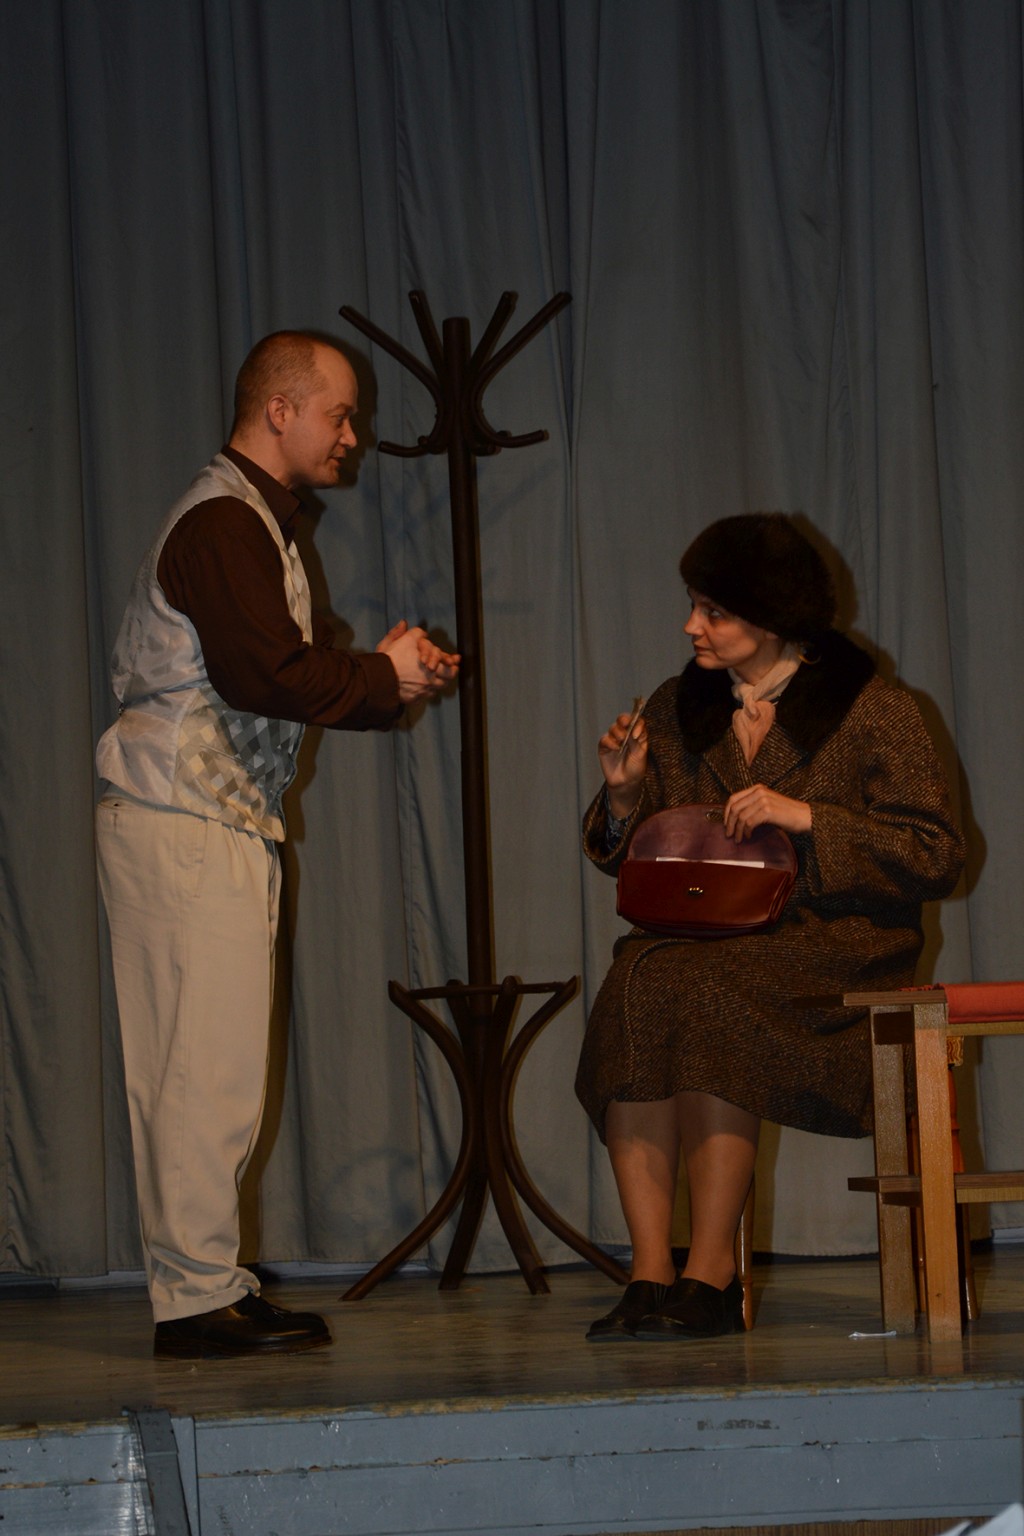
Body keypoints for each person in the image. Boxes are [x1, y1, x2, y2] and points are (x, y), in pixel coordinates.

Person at [95, 331, 459, 1358]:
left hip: (212, 820)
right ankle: (194, 1299)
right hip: (178, 818)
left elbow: (275, 671)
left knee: (216, 1067)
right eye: (339, 415)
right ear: (280, 411)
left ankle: (209, 1283)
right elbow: (263, 676)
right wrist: (381, 679)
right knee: (194, 1067)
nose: (353, 436)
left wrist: (388, 679)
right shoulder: (222, 522)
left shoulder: (252, 522)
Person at [575, 512, 965, 1343]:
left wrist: (808, 818)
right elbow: (639, 859)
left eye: (713, 610)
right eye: (693, 604)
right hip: (703, 936)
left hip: (835, 943)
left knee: (705, 988)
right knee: (638, 979)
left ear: (775, 615)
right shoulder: (679, 706)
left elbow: (936, 854)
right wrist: (622, 793)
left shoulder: (872, 709)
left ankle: (713, 1273)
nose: (691, 626)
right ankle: (650, 1274)